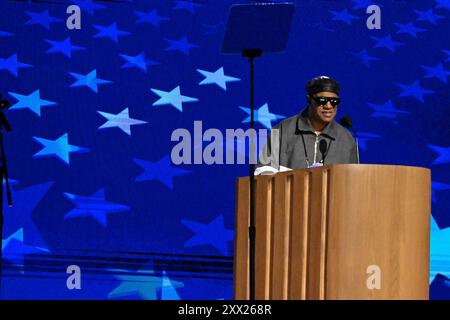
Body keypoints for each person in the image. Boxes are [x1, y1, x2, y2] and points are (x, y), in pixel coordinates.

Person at [256, 75, 358, 173]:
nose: (328, 106)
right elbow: (262, 170)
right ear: (309, 99)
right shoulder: (282, 131)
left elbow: (354, 180)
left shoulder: (347, 139)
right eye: (322, 100)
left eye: (334, 101)